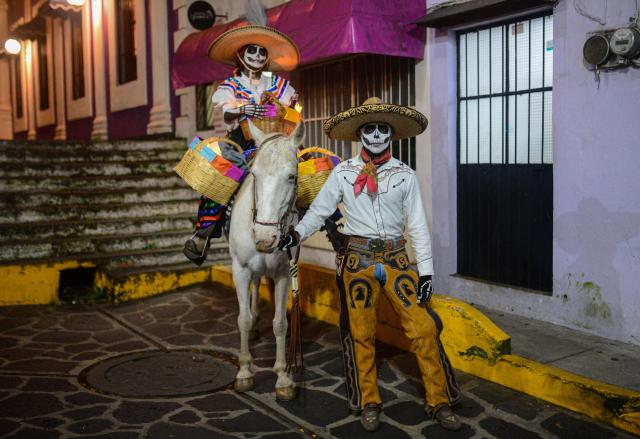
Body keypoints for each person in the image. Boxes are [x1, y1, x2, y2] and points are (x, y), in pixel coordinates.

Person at [279, 97, 463, 432]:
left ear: (391, 133)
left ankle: (439, 400)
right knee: (362, 334)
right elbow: (319, 210)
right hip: (357, 260)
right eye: (369, 129)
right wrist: (297, 234)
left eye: (382, 129)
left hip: (396, 260)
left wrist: (425, 272)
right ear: (360, 134)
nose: (376, 135)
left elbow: (418, 225)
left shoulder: (405, 175)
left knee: (422, 328)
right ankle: (369, 401)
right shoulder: (343, 173)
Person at [183, 24, 300, 265]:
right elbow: (226, 115)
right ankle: (203, 234)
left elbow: (295, 112)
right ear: (240, 56)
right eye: (251, 51)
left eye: (261, 52)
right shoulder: (232, 85)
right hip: (243, 145)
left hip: (274, 144)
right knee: (223, 172)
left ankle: (333, 228)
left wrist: (289, 112)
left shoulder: (277, 84)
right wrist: (242, 109)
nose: (257, 56)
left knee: (305, 172)